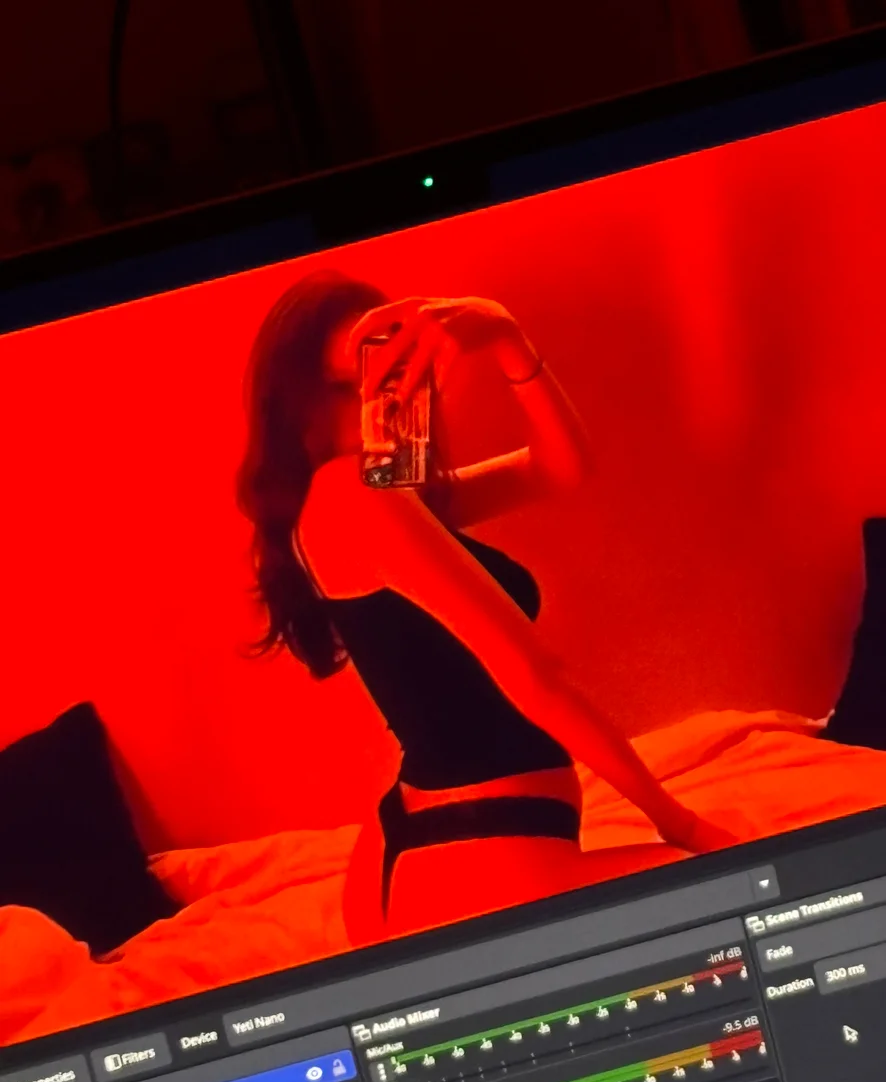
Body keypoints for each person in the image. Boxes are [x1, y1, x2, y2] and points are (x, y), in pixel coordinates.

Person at [236, 269, 742, 946]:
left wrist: (502, 334)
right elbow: (536, 675)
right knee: (743, 896)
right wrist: (677, 821)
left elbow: (560, 467)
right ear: (293, 408)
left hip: (440, 839)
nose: (370, 401)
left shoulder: (385, 498)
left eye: (384, 372)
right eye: (341, 387)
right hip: (471, 847)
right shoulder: (351, 495)